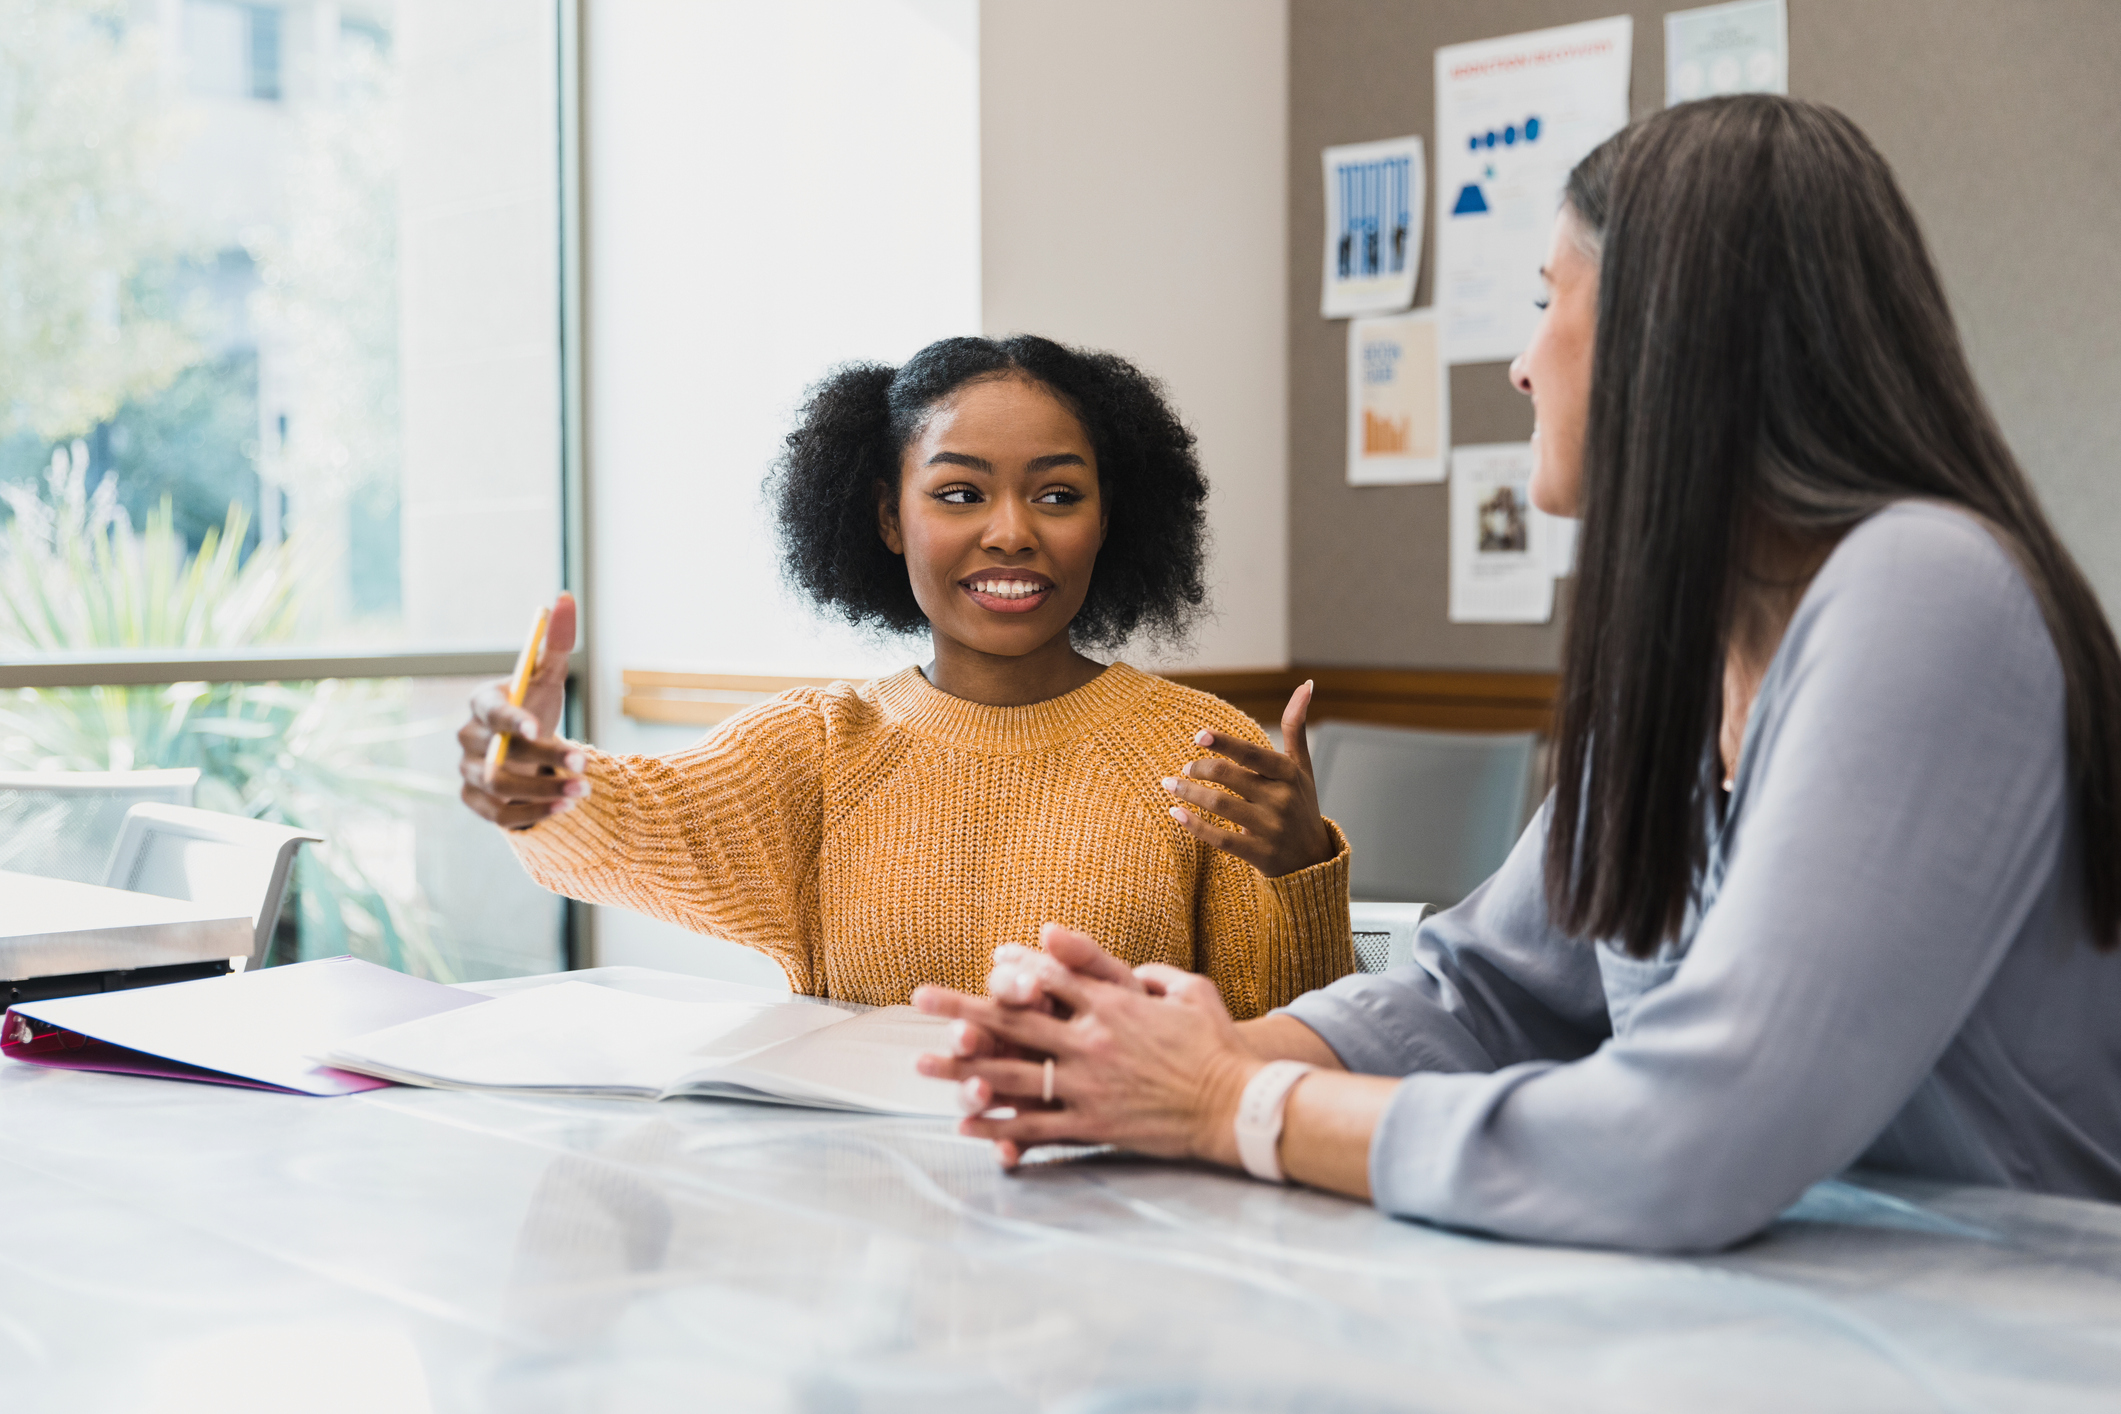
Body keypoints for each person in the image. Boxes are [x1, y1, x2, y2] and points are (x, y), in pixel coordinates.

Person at [913, 96, 2121, 1251]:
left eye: (1549, 300)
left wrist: (1230, 1103)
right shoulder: (1690, 652)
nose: (1523, 365)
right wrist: (1162, 1048)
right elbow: (1482, 992)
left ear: (1669, 336)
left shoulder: (1928, 589)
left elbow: (1692, 1139)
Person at [456, 335, 1353, 1011]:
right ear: (889, 519)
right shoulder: (819, 748)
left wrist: (1303, 869)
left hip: (1116, 1220)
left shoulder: (1203, 751)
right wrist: (540, 784)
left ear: (1110, 519)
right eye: (959, 493)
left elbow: (1291, 1046)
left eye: (1056, 494)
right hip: (860, 1221)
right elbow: (641, 818)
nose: (1010, 532)